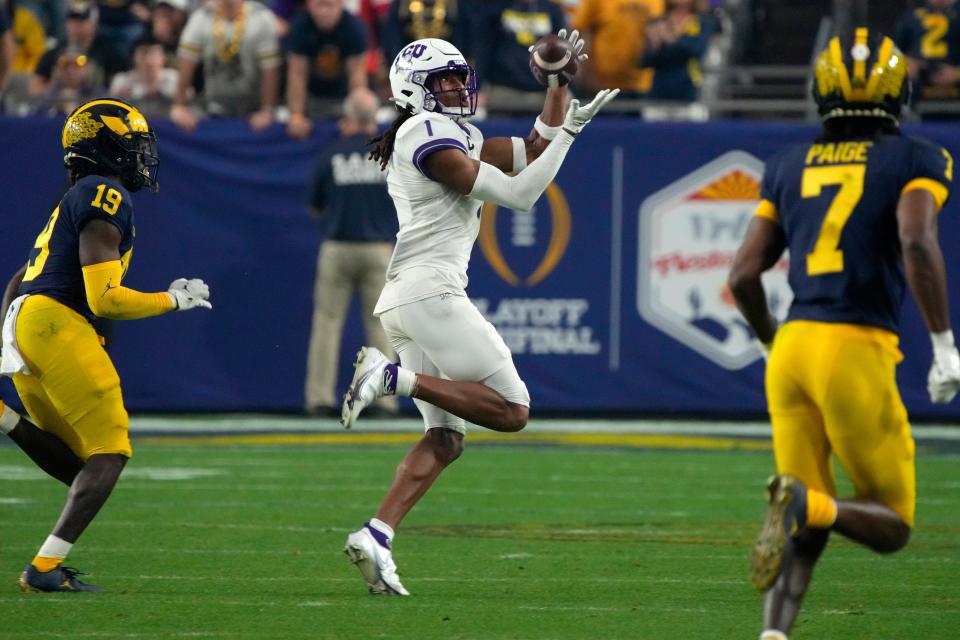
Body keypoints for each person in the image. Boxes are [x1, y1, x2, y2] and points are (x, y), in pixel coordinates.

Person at [339, 34, 617, 595]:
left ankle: (377, 534)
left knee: (445, 440)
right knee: (513, 409)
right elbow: (520, 195)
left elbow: (533, 148)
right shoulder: (425, 135)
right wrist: (571, 132)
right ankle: (390, 377)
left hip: (411, 298)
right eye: (444, 80)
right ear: (415, 91)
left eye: (458, 76)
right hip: (428, 294)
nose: (458, 88)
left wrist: (559, 88)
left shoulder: (451, 132)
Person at [727, 29, 960, 640]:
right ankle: (804, 505)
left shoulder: (786, 163)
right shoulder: (917, 157)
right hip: (852, 347)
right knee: (893, 521)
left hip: (796, 346)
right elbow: (915, 238)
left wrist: (771, 343)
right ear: (897, 90)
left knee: (808, 510)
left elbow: (743, 274)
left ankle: (773, 634)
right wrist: (943, 343)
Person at [0, 98, 212, 592]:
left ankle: (5, 417)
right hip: (57, 324)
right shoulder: (103, 193)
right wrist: (172, 301)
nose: (142, 155)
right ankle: (45, 569)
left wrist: (6, 333)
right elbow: (106, 299)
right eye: (134, 145)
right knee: (111, 451)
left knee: (83, 464)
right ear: (107, 145)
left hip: (31, 321)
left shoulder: (75, 198)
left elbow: (19, 276)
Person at [304, 87, 399, 416]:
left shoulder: (331, 155)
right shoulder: (389, 155)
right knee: (382, 327)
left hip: (337, 247)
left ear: (347, 119)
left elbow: (315, 206)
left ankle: (319, 399)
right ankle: (384, 400)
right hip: (378, 249)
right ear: (374, 120)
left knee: (327, 325)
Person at [171, 0, 281, 130]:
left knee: (280, 119)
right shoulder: (202, 17)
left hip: (253, 106)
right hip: (211, 105)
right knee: (180, 121)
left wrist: (267, 109)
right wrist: (180, 105)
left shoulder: (261, 18)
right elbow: (186, 62)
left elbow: (270, 69)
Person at [285, 0, 367, 139]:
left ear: (341, 5)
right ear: (309, 4)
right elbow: (297, 75)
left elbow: (357, 76)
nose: (324, 12)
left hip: (343, 98)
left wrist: (355, 117)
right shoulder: (300, 26)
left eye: (329, 5)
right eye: (319, 5)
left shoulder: (354, 27)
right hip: (311, 99)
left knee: (367, 103)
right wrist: (297, 116)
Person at [571, 0, 664, 96]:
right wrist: (588, 73)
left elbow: (659, 32)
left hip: (642, 83)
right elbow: (584, 30)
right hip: (601, 86)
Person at [640, 0, 713, 103]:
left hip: (690, 90)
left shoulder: (701, 22)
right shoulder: (658, 22)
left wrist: (672, 38)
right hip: (659, 90)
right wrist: (653, 44)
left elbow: (698, 50)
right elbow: (645, 62)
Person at [895, 0, 960, 101]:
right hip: (918, 81)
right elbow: (894, 49)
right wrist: (905, 63)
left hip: (954, 82)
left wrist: (956, 74)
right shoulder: (912, 14)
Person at [109, 35, 179, 119]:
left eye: (154, 54)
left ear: (164, 57)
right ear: (133, 58)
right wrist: (118, 97)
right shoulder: (122, 80)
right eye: (143, 54)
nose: (149, 61)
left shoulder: (175, 78)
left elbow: (188, 101)